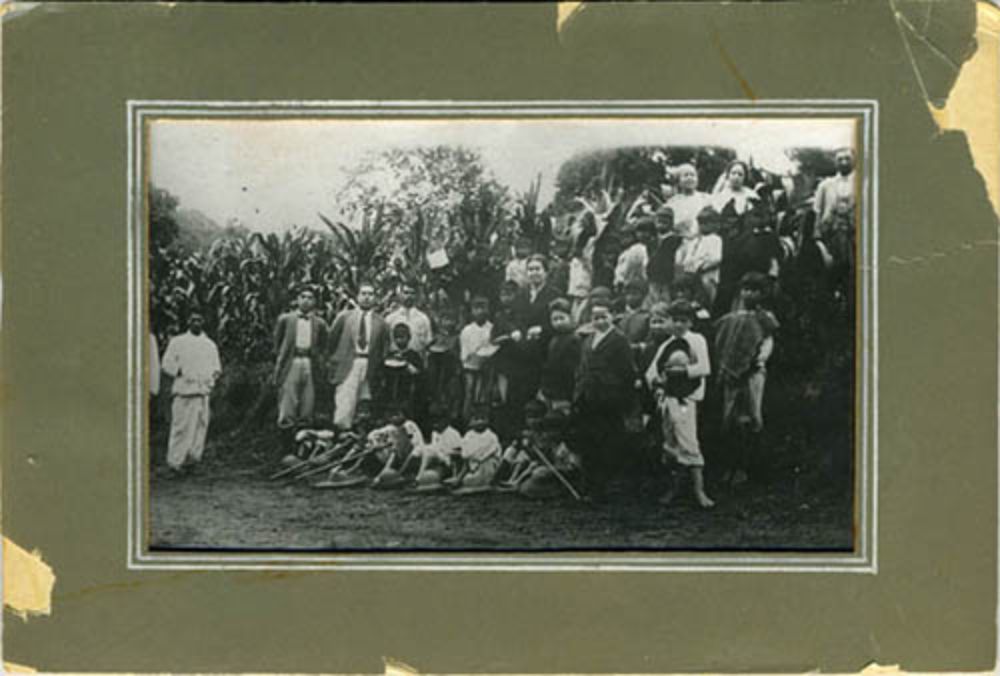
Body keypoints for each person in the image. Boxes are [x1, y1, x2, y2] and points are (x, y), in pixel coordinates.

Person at [645, 300, 714, 508]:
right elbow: (651, 372)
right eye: (674, 320)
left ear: (690, 322)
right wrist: (657, 382)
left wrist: (682, 371)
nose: (678, 325)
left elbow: (705, 367)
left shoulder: (696, 340)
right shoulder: (666, 344)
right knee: (670, 445)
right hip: (668, 398)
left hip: (687, 397)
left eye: (683, 321)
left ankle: (699, 491)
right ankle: (675, 489)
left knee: (689, 442)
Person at [714, 272, 780, 484]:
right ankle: (730, 465)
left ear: (762, 294)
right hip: (731, 374)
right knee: (729, 418)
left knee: (751, 416)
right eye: (746, 289)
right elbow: (723, 341)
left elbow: (767, 342)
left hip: (752, 373)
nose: (749, 293)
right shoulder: (732, 317)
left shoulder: (764, 318)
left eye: (754, 290)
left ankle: (747, 468)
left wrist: (758, 361)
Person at [572, 297, 636, 501]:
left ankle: (603, 488)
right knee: (589, 442)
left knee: (607, 443)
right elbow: (581, 368)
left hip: (608, 400)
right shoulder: (588, 340)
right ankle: (589, 485)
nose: (599, 321)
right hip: (587, 398)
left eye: (603, 316)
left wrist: (621, 399)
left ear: (612, 316)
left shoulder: (619, 340)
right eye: (595, 317)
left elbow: (627, 373)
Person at [160, 312, 221, 474]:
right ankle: (175, 462)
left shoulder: (209, 344)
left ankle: (192, 461)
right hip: (184, 392)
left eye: (199, 319)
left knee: (200, 427)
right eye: (193, 319)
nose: (196, 323)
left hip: (202, 393)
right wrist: (181, 371)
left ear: (203, 322)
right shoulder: (178, 342)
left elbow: (216, 368)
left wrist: (210, 380)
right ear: (188, 321)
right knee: (181, 428)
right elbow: (167, 364)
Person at [328, 282, 389, 429]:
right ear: (357, 296)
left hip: (369, 363)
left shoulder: (381, 322)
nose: (367, 298)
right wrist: (334, 360)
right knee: (345, 399)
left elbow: (383, 347)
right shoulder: (344, 317)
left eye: (370, 294)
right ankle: (341, 431)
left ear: (375, 298)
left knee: (365, 400)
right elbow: (331, 340)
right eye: (364, 294)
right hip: (349, 361)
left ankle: (360, 434)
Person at [273, 288, 329, 438]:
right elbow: (278, 343)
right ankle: (286, 439)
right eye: (303, 297)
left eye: (310, 298)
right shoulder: (285, 319)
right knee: (288, 399)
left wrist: (319, 359)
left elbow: (324, 344)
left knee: (308, 399)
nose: (306, 300)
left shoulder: (319, 323)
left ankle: (304, 437)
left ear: (314, 302)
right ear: (297, 299)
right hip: (292, 361)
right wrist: (283, 359)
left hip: (309, 362)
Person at [539, 298, 580, 415]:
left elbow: (572, 368)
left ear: (570, 318)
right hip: (552, 388)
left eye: (562, 318)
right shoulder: (554, 339)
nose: (558, 322)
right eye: (554, 319)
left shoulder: (574, 339)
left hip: (565, 389)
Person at [459, 295, 495, 423]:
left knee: (485, 394)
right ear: (472, 311)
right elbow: (465, 354)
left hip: (488, 367)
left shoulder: (492, 328)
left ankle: (484, 420)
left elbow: (494, 347)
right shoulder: (467, 330)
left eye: (483, 308)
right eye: (476, 308)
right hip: (471, 368)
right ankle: (467, 421)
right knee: (470, 393)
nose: (480, 312)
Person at [450, 408, 502, 492]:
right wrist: (473, 456)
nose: (479, 422)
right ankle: (459, 478)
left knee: (471, 479)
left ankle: (483, 481)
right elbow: (466, 453)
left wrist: (477, 457)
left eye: (482, 419)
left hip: (486, 463)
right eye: (476, 419)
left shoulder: (491, 436)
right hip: (471, 463)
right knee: (466, 465)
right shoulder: (468, 435)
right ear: (471, 422)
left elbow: (491, 452)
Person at [426, 309, 463, 426]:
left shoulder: (457, 337)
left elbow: (459, 355)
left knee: (452, 397)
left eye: (451, 320)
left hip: (451, 372)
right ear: (441, 321)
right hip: (437, 373)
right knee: (437, 396)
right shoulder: (437, 337)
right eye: (446, 320)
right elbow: (430, 351)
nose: (448, 323)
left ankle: (452, 422)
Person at [381, 322, 423, 419]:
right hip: (390, 395)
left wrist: (407, 365)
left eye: (402, 337)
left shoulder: (414, 356)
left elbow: (419, 375)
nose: (399, 341)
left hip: (407, 396)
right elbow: (382, 373)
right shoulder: (390, 355)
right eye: (397, 338)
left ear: (409, 338)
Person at [385, 280, 433, 359]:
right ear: (400, 295)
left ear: (416, 295)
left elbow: (428, 344)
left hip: (417, 363)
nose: (409, 296)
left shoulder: (423, 319)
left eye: (412, 293)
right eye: (406, 293)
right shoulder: (390, 319)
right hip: (395, 363)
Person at [613, 219, 652, 290]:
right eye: (622, 235)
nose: (624, 239)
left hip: (636, 286)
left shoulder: (639, 249)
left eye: (627, 235)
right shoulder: (624, 252)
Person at [616, 279, 651, 345]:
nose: (630, 297)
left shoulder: (647, 317)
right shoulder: (618, 316)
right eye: (628, 294)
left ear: (643, 296)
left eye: (635, 294)